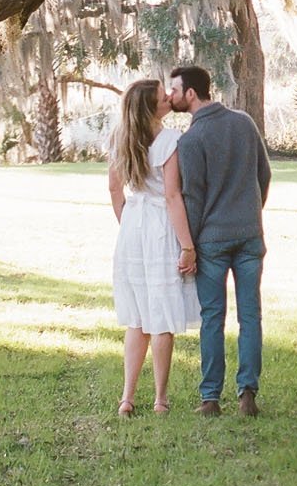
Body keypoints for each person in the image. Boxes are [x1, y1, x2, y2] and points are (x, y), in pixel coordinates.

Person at [168, 63, 273, 419]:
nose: (171, 96)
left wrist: (190, 246)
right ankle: (247, 394)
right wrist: (250, 211)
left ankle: (210, 399)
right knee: (250, 316)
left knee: (213, 317)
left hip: (211, 240)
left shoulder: (191, 140)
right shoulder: (244, 122)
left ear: (191, 94)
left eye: (175, 90)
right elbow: (264, 174)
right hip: (249, 235)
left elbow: (192, 197)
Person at [107, 77, 200, 415]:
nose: (168, 99)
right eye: (163, 97)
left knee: (138, 319)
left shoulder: (120, 138)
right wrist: (187, 246)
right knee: (160, 316)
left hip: (133, 226)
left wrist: (129, 224)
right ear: (152, 107)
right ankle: (160, 399)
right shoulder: (170, 140)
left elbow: (115, 191)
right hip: (161, 225)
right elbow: (173, 196)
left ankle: (127, 398)